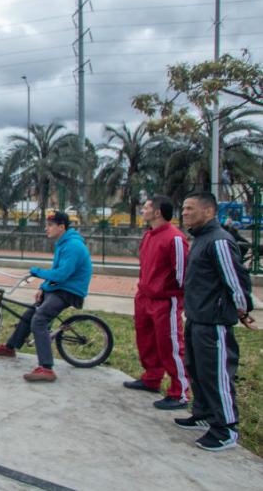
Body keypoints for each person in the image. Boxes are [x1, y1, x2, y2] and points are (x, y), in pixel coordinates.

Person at [174, 192, 255, 452]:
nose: (184, 213)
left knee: (217, 374)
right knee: (197, 370)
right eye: (183, 209)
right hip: (197, 318)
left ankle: (225, 428)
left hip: (214, 322)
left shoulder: (219, 241)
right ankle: (203, 413)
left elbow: (235, 280)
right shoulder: (200, 239)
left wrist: (242, 311)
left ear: (209, 212)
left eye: (190, 208)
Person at [0, 211, 92, 382]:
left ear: (62, 227)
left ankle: (46, 368)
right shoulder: (62, 243)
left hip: (70, 291)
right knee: (29, 314)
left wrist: (37, 272)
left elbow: (60, 274)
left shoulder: (73, 246)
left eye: (50, 225)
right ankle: (10, 347)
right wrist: (43, 287)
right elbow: (56, 274)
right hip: (60, 287)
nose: (46, 228)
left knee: (39, 319)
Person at [124, 196, 190, 409]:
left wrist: (179, 298)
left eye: (146, 207)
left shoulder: (175, 238)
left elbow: (182, 274)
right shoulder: (149, 236)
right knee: (146, 340)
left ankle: (179, 392)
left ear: (158, 212)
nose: (142, 210)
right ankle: (151, 378)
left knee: (170, 345)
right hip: (145, 297)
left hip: (165, 300)